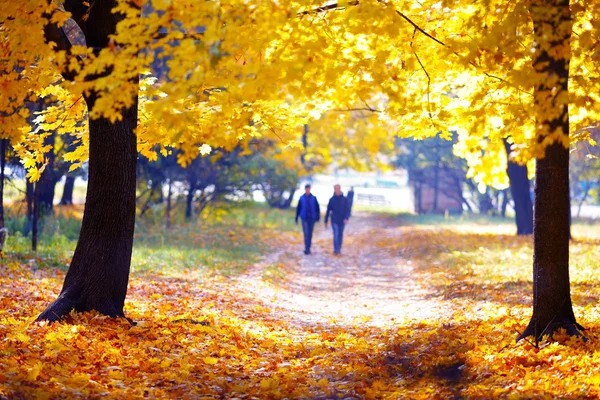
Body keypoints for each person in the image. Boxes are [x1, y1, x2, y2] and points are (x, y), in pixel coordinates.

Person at [324, 184, 350, 255]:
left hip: (342, 220)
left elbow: (347, 210)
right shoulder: (332, 199)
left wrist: (346, 218)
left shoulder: (344, 199)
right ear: (334, 190)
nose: (337, 190)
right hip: (334, 220)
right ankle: (336, 249)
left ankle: (339, 248)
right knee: (336, 234)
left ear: (340, 189)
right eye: (336, 189)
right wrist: (326, 220)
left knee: (340, 235)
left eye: (338, 189)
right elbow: (328, 210)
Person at [295, 184, 320, 255]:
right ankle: (306, 248)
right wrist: (296, 218)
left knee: (310, 233)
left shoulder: (314, 198)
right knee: (306, 233)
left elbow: (317, 208)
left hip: (311, 218)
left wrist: (317, 217)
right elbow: (298, 208)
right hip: (304, 218)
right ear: (305, 189)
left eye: (309, 189)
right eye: (307, 189)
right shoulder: (302, 198)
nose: (308, 190)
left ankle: (309, 247)